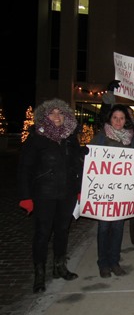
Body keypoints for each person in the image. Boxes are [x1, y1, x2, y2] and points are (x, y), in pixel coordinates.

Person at [17, 98, 82, 293]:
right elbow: (24, 168)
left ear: (66, 116)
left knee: (62, 231)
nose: (57, 116)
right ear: (45, 116)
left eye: (60, 112)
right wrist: (26, 196)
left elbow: (77, 166)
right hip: (44, 194)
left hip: (67, 193)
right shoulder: (37, 138)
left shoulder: (71, 138)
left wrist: (79, 189)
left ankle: (59, 266)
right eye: (52, 113)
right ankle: (39, 274)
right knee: (42, 234)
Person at [89, 104, 134, 277]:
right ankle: (103, 263)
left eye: (122, 118)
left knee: (118, 228)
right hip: (104, 193)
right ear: (110, 119)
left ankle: (114, 261)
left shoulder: (131, 140)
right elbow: (90, 162)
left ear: (126, 120)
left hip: (122, 193)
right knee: (103, 228)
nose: (118, 121)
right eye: (115, 118)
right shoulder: (101, 138)